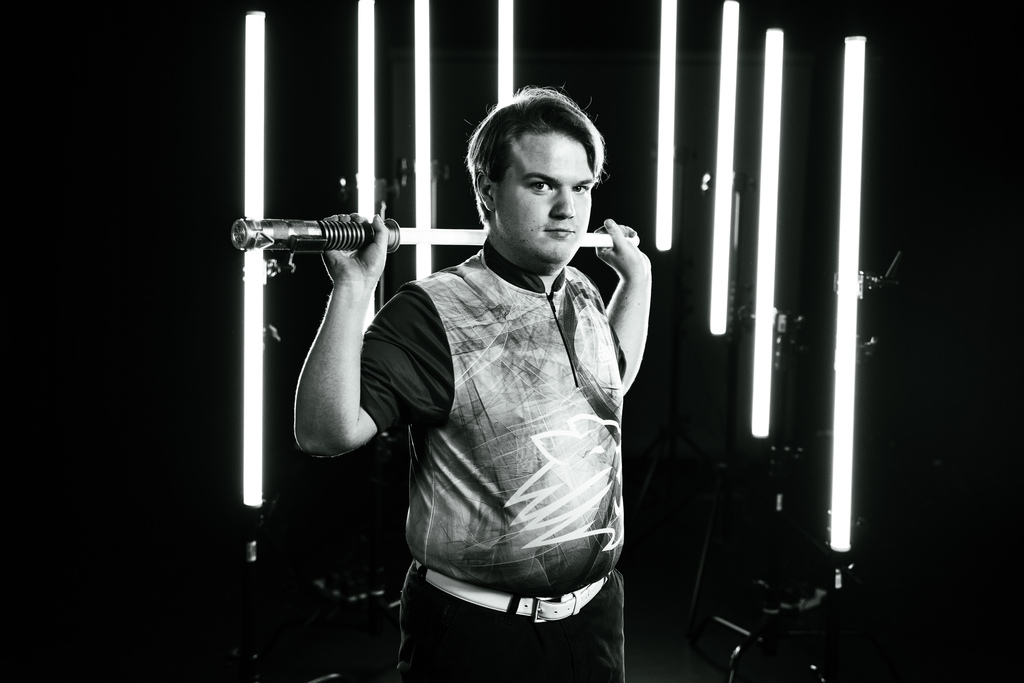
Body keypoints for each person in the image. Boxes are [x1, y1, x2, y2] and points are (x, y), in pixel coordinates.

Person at [294, 86, 652, 683]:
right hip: (480, 638)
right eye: (541, 185)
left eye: (581, 188)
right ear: (488, 193)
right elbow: (324, 433)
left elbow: (608, 388)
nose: (568, 209)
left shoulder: (585, 291)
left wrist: (635, 280)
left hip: (594, 624)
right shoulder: (431, 311)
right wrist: (353, 290)